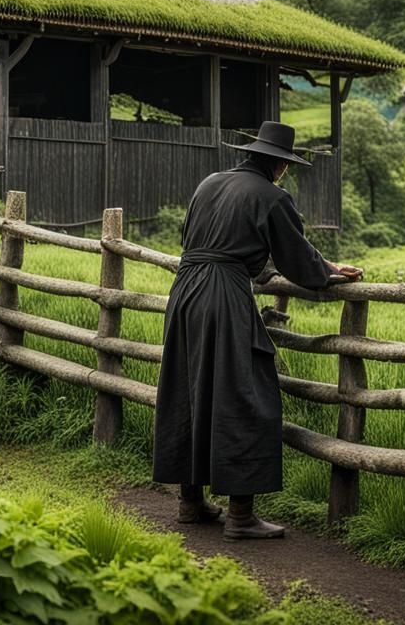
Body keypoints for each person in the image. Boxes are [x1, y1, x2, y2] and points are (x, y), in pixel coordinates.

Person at [152, 121, 363, 540]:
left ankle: (190, 502)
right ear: (280, 164)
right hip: (224, 296)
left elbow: (210, 242)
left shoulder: (209, 183)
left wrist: (264, 265)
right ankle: (241, 515)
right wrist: (328, 272)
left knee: (190, 387)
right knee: (244, 391)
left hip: (186, 289)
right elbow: (295, 257)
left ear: (251, 153)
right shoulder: (273, 196)